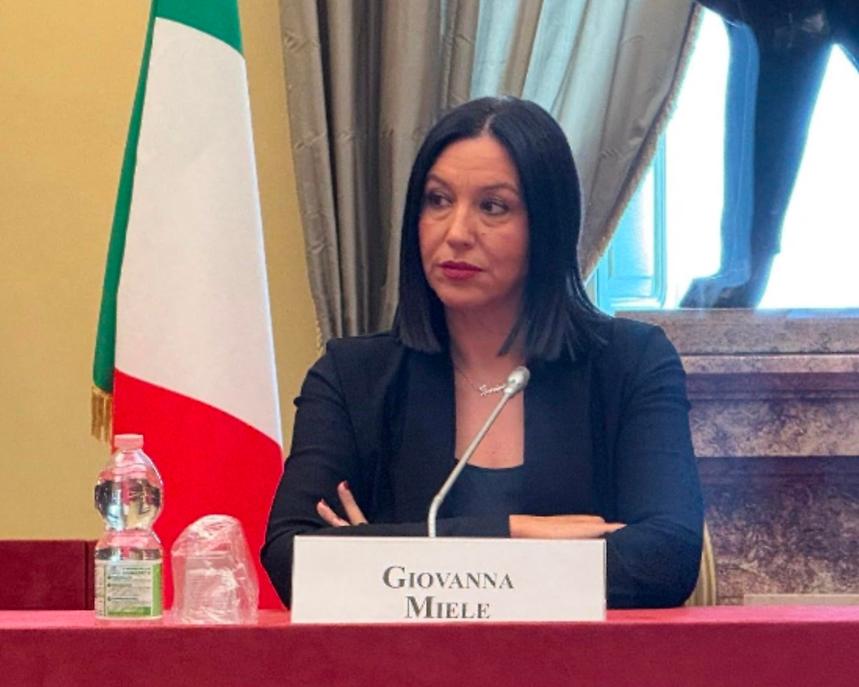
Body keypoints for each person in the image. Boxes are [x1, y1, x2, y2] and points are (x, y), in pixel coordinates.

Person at [263, 97, 703, 609]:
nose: (456, 233)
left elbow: (666, 559)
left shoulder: (630, 363)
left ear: (548, 225)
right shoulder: (352, 376)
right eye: (437, 200)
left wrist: (387, 554)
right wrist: (516, 532)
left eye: (493, 207)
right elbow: (294, 559)